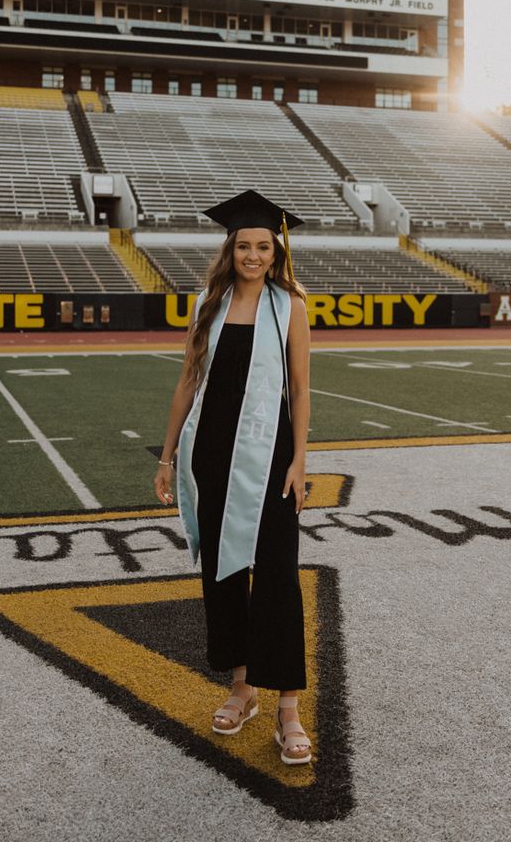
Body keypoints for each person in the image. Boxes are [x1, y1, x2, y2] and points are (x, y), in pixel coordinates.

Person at [153, 189, 312, 765]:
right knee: (223, 572)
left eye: (262, 246)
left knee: (278, 575)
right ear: (231, 249)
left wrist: (299, 459)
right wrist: (168, 455)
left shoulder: (290, 304)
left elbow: (300, 385)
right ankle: (242, 688)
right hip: (211, 453)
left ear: (275, 251)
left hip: (270, 456)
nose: (252, 254)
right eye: (243, 245)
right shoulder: (208, 304)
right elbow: (187, 383)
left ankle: (288, 707)